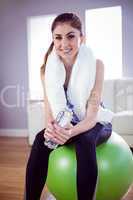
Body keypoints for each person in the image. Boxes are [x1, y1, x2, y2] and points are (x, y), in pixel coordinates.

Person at [25, 13, 113, 200]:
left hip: (95, 121)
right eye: (58, 37)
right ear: (53, 40)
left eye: (71, 36)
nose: (64, 43)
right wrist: (51, 129)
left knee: (84, 140)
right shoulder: (46, 71)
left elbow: (91, 118)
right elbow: (49, 112)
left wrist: (70, 133)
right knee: (40, 139)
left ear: (82, 38)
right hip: (65, 124)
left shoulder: (97, 65)